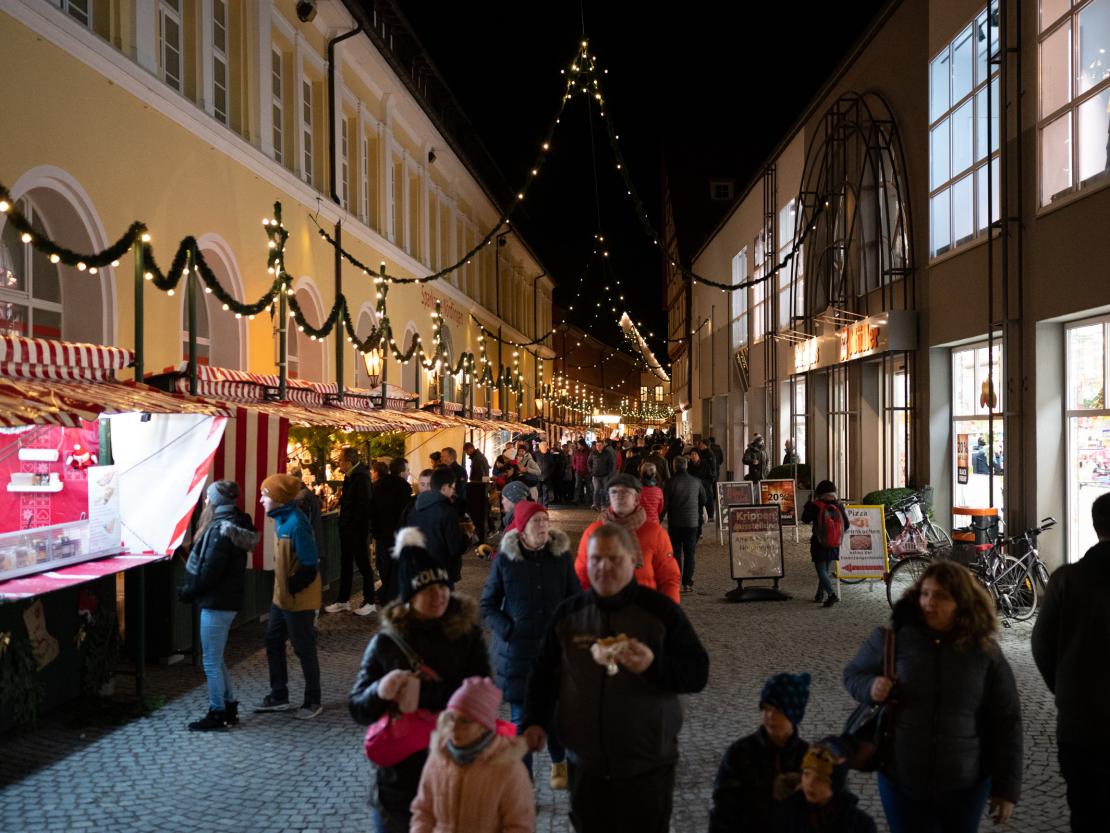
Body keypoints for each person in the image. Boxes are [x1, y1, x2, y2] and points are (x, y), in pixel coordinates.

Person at [521, 523, 710, 833]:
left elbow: (697, 673)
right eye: (596, 559)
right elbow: (543, 673)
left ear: (633, 559)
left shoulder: (660, 612)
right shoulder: (569, 615)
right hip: (585, 766)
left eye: (614, 559)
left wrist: (653, 665)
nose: (603, 568)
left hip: (647, 766)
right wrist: (534, 720)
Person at [843, 560, 1022, 833]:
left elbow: (1007, 721)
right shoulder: (892, 640)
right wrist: (870, 687)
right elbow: (853, 674)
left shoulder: (985, 653)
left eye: (941, 596)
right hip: (901, 778)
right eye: (925, 593)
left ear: (961, 603)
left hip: (965, 785)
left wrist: (1006, 789)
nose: (929, 602)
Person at [348, 529, 491, 833]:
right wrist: (380, 691)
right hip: (399, 784)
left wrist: (422, 694)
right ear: (410, 597)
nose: (439, 595)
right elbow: (358, 708)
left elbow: (484, 692)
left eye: (443, 586)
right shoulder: (387, 643)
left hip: (455, 772)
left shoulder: (465, 635)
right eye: (428, 589)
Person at [480, 500, 580, 787]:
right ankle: (523, 785)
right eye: (536, 522)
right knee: (520, 722)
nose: (542, 527)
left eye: (545, 521)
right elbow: (488, 604)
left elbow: (575, 599)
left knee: (556, 715)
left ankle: (559, 762)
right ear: (522, 529)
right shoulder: (505, 561)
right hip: (517, 655)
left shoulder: (560, 558)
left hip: (553, 654)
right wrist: (508, 630)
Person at [1031, 491, 1110, 833]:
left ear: (1095, 527)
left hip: (1080, 722)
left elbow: (1041, 644)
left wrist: (1064, 686)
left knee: (1085, 808)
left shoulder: (1067, 580)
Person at [177, 480, 259, 731]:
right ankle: (229, 707)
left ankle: (218, 713)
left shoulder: (220, 529)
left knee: (210, 662)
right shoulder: (233, 524)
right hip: (225, 600)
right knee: (216, 657)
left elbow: (211, 571)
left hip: (218, 602)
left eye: (207, 497)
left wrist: (189, 591)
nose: (205, 501)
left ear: (214, 501)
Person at [409, 676, 535, 833]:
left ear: (484, 726)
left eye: (465, 721)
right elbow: (423, 811)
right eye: (451, 718)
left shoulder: (509, 768)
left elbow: (519, 826)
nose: (454, 728)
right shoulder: (438, 758)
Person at [255, 473, 323, 719]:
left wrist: (291, 588)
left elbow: (309, 564)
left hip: (297, 600)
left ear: (280, 499)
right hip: (281, 598)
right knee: (273, 641)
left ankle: (313, 700)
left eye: (265, 495)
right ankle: (279, 695)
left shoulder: (296, 522)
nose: (261, 500)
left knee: (304, 648)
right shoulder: (281, 519)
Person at [709, 672, 811, 833]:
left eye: (778, 710)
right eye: (766, 708)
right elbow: (723, 808)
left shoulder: (810, 758)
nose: (770, 716)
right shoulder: (740, 752)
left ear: (795, 714)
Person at [575, 473, 681, 603]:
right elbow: (581, 576)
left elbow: (669, 578)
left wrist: (667, 613)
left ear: (636, 499)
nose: (618, 496)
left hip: (644, 610)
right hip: (602, 610)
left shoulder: (655, 533)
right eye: (613, 492)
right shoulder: (593, 532)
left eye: (625, 492)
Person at [774, 743, 878, 833]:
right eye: (806, 774)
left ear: (835, 783)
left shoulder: (862, 826)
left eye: (820, 778)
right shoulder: (785, 815)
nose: (809, 783)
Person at [327, 446, 376, 616]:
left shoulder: (360, 478)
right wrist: (340, 501)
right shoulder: (351, 477)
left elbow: (363, 506)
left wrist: (350, 524)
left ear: (349, 462)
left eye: (340, 460)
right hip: (349, 528)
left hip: (356, 530)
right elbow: (352, 501)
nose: (338, 463)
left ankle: (370, 600)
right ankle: (343, 600)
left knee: (362, 564)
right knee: (346, 564)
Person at [407, 466, 470, 584]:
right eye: (453, 487)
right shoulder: (447, 511)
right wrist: (467, 537)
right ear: (445, 487)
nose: (453, 490)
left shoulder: (413, 509)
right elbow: (454, 548)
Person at [371, 459, 415, 606]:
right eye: (408, 470)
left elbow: (373, 510)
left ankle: (386, 592)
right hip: (397, 533)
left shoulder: (378, 485)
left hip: (382, 533)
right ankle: (391, 594)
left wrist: (375, 530)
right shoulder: (404, 488)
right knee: (395, 565)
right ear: (402, 473)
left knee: (384, 564)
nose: (409, 473)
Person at [660, 456, 706, 594]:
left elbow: (665, 505)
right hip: (692, 523)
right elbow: (703, 499)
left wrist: (659, 519)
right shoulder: (696, 482)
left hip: (675, 523)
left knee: (676, 553)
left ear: (674, 466)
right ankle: (688, 582)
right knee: (690, 553)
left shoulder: (669, 482)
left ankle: (676, 580)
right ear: (686, 466)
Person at [801, 480, 850, 608]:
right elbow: (847, 524)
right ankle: (819, 595)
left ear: (819, 492)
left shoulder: (816, 505)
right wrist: (834, 534)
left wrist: (808, 503)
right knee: (826, 570)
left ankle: (832, 595)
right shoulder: (839, 505)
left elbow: (805, 519)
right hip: (834, 543)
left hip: (819, 542)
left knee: (821, 570)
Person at [462, 442, 490, 541]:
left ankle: (481, 538)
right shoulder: (478, 457)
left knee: (479, 516)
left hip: (478, 489)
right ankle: (483, 535)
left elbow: (481, 474)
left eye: (466, 451)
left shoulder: (478, 458)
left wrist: (481, 485)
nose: (466, 454)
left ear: (470, 449)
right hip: (481, 488)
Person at [439, 447, 468, 512]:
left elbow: (460, 489)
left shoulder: (460, 471)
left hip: (456, 505)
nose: (441, 459)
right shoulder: (444, 470)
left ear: (451, 458)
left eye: (443, 457)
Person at [537, 441, 560, 507]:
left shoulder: (550, 455)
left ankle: (545, 506)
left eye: (545, 446)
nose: (544, 447)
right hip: (538, 476)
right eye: (543, 446)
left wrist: (549, 473)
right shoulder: (536, 454)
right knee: (539, 491)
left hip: (547, 475)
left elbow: (553, 465)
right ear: (540, 447)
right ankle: (539, 505)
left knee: (545, 491)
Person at [572, 439, 591, 505]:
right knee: (577, 486)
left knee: (588, 486)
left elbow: (590, 461)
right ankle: (576, 500)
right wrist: (575, 468)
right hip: (578, 471)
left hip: (587, 472)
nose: (577, 446)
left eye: (578, 444)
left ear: (582, 445)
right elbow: (573, 461)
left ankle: (588, 500)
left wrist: (589, 469)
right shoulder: (576, 452)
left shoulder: (588, 452)